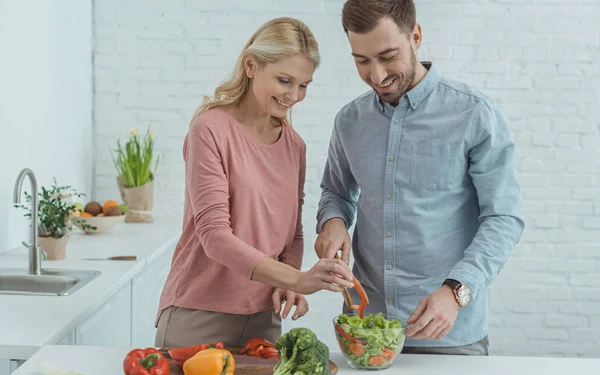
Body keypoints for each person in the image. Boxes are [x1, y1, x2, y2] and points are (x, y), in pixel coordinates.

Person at [315, 0, 525, 356]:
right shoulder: (349, 121)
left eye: (387, 56)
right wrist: (333, 221)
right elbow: (336, 191)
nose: (377, 75)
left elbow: (504, 218)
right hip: (366, 328)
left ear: (416, 36)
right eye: (361, 61)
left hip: (449, 332)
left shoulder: (475, 114)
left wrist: (456, 291)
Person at [155, 17, 354, 349]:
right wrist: (299, 279)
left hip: (264, 318)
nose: (294, 95)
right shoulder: (210, 130)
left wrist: (288, 281)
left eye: (304, 85)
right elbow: (214, 236)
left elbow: (292, 235)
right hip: (198, 315)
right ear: (251, 65)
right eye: (285, 80)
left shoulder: (294, 146)